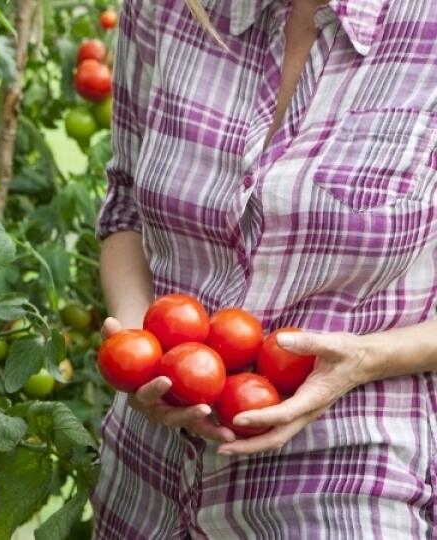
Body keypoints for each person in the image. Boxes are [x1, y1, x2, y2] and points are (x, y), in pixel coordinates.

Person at [92, 0, 437, 537]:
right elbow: (125, 206)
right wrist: (144, 351)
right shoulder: (168, 8)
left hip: (345, 475)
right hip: (145, 479)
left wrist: (368, 359)